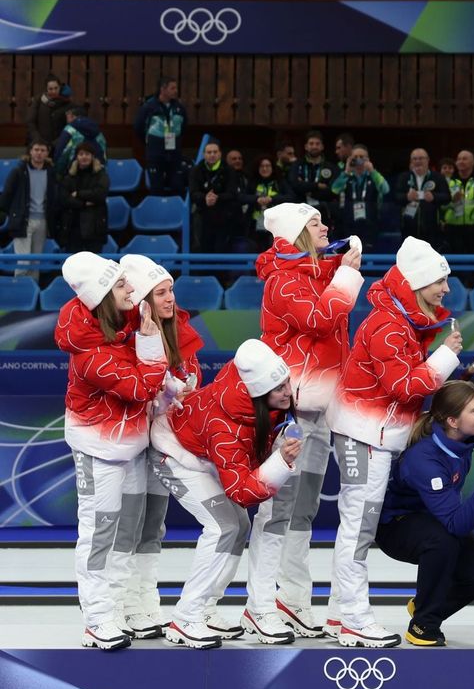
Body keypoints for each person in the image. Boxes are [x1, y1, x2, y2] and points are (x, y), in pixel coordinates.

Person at [326, 238, 462, 648]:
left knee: (357, 525)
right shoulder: (388, 325)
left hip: (373, 435)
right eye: (440, 281)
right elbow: (403, 387)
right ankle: (353, 617)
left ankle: (338, 613)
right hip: (361, 436)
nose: (446, 290)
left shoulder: (402, 320)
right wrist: (445, 356)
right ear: (419, 283)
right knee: (359, 525)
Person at [248, 202, 363, 641]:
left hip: (320, 409)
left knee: (304, 508)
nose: (326, 226)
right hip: (289, 410)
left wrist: (341, 266)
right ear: (295, 232)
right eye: (315, 223)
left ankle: (292, 599)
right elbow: (318, 320)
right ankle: (259, 605)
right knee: (276, 511)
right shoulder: (283, 280)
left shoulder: (315, 275)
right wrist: (348, 274)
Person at [147, 340, 299, 649]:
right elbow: (241, 492)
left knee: (239, 526)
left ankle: (205, 607)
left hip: (201, 451)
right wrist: (280, 462)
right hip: (173, 455)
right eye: (279, 388)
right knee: (222, 527)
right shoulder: (225, 428)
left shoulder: (255, 394)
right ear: (259, 394)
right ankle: (186, 617)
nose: (288, 392)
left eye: (287, 383)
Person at [56, 255, 170, 650]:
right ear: (103, 295)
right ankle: (97, 617)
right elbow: (141, 388)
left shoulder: (120, 326)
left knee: (130, 531)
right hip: (98, 450)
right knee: (99, 532)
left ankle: (118, 606)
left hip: (133, 445)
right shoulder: (90, 352)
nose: (130, 289)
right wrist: (152, 342)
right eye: (121, 284)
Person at [111, 255, 202, 640]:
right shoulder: (124, 335)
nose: (170, 299)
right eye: (161, 293)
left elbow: (191, 375)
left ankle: (145, 600)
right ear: (144, 300)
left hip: (164, 439)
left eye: (172, 291)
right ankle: (118, 605)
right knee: (126, 525)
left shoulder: (180, 329)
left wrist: (186, 383)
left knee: (153, 523)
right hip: (131, 441)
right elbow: (132, 388)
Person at [377, 381, 474, 647]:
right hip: (395, 527)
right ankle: (423, 625)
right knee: (443, 539)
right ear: (453, 421)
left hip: (432, 518)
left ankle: (423, 605)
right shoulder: (424, 460)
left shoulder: (461, 440)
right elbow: (455, 524)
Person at [4, 140, 57, 278]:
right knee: (23, 262)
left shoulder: (51, 172)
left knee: (35, 262)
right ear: (31, 151)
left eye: (42, 150)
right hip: (23, 220)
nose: (39, 153)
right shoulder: (19, 171)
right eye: (36, 150)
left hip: (43, 221)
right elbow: (7, 193)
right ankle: (19, 292)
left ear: (47, 153)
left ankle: (33, 294)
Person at [133, 78, 186, 195]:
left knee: (178, 186)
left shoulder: (179, 108)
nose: (176, 91)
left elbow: (184, 127)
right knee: (156, 187)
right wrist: (151, 141)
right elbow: (138, 127)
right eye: (172, 88)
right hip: (155, 153)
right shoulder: (149, 107)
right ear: (163, 89)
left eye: (176, 88)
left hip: (174, 153)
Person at [58, 142, 110, 254]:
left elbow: (100, 194)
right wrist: (84, 204)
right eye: (81, 154)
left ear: (92, 156)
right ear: (76, 157)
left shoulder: (101, 174)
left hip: (95, 228)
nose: (84, 157)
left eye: (87, 154)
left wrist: (78, 194)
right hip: (72, 227)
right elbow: (64, 199)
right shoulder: (69, 177)